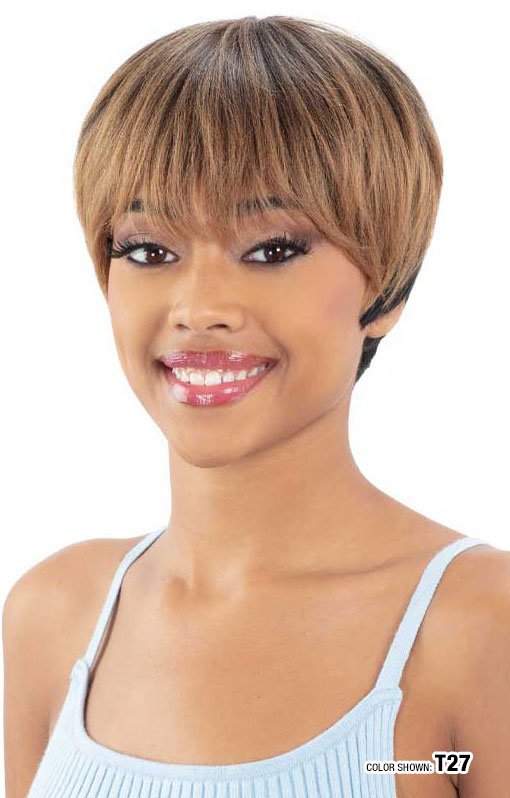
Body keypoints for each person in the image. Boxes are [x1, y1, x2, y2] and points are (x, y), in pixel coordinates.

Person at [4, 14, 509, 798]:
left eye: (271, 250)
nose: (199, 307)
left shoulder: (480, 626)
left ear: (386, 287)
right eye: (149, 250)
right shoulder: (54, 617)